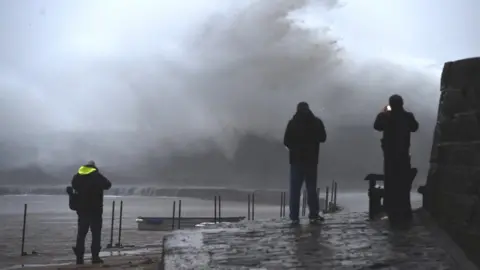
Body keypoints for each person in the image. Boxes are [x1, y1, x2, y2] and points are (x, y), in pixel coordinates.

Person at [374, 94, 419, 227]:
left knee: (391, 183)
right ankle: (405, 211)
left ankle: (392, 212)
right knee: (403, 184)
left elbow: (377, 126)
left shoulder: (385, 116)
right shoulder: (407, 116)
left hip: (389, 155)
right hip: (404, 154)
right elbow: (415, 127)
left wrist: (383, 113)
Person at [284, 102, 327, 225]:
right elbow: (323, 138)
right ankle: (313, 214)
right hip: (312, 161)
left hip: (296, 161)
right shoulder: (316, 122)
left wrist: (294, 147)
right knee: (311, 189)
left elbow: (286, 141)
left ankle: (294, 217)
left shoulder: (292, 123)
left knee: (295, 190)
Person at [71, 160, 112, 265]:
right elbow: (108, 185)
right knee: (96, 234)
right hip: (95, 210)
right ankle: (95, 257)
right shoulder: (96, 176)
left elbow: (73, 186)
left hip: (82, 209)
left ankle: (79, 258)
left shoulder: (77, 176)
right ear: (94, 167)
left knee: (81, 233)